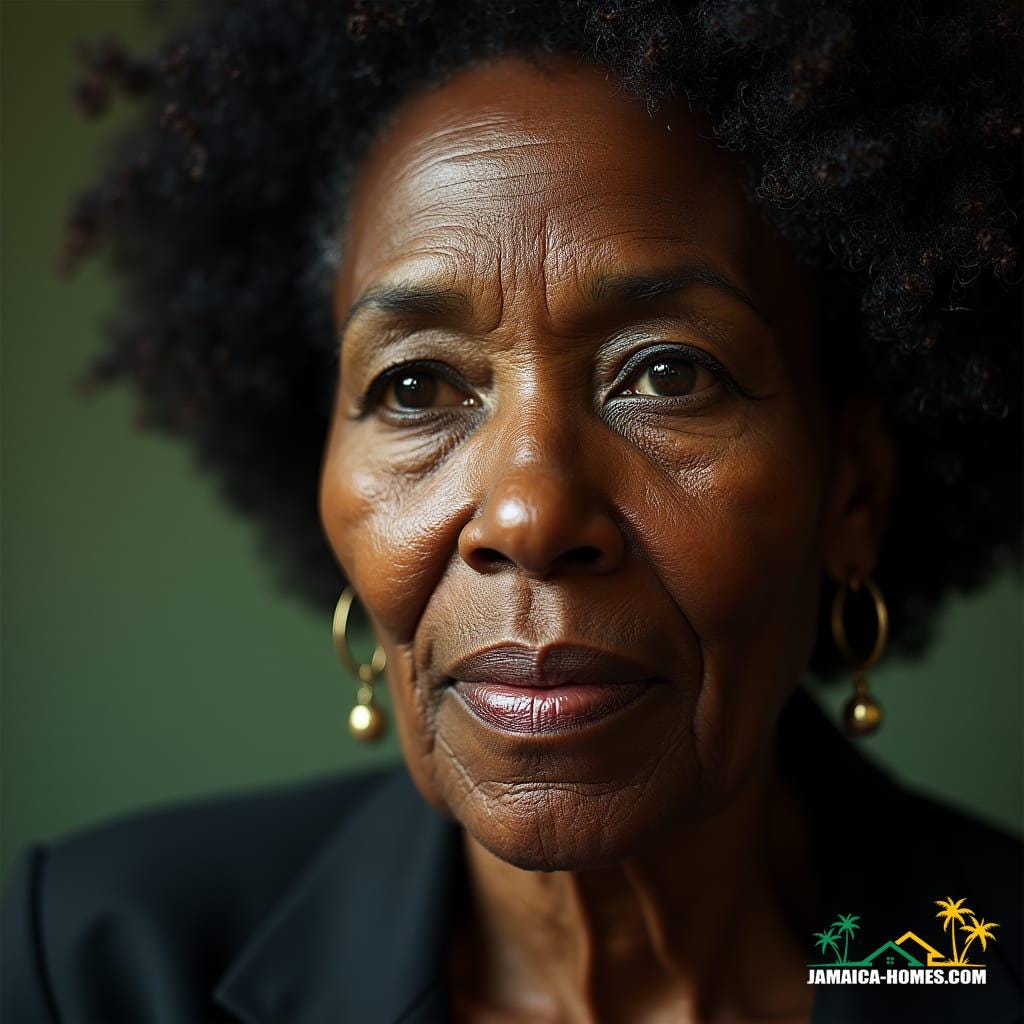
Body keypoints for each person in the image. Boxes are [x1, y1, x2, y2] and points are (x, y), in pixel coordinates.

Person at [3, 1, 1021, 1021]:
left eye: (668, 373)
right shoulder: (95, 965)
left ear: (850, 487)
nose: (529, 515)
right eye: (414, 389)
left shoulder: (977, 958)